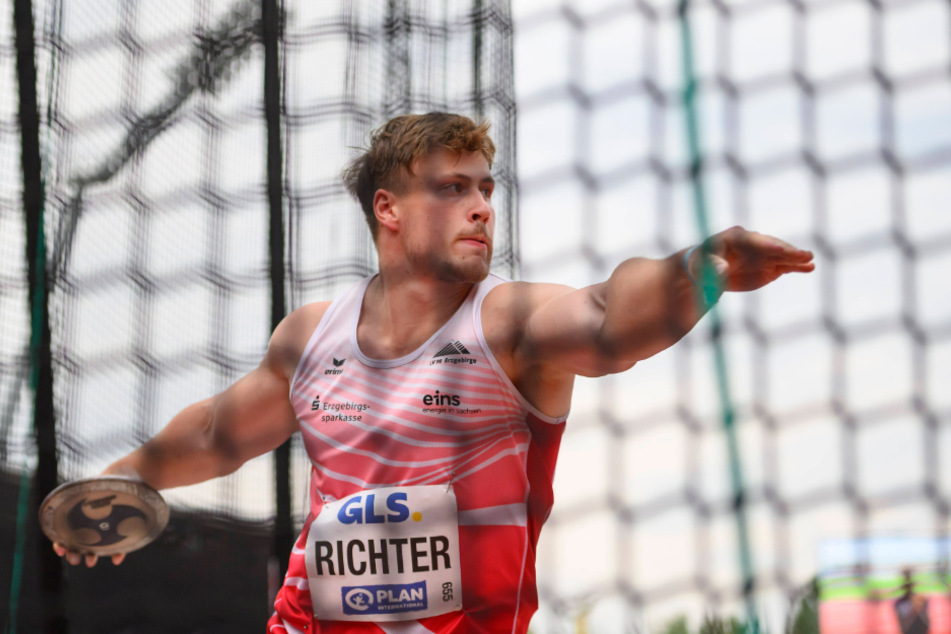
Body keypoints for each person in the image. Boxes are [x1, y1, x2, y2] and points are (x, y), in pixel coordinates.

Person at [52, 112, 815, 632]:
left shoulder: (509, 325)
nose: (481, 207)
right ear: (388, 209)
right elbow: (219, 432)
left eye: (485, 188)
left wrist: (694, 269)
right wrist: (125, 478)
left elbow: (614, 319)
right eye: (454, 188)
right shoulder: (313, 335)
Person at [894, 568, 930, 634]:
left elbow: (926, 624)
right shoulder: (900, 603)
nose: (908, 585)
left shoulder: (921, 600)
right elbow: (903, 625)